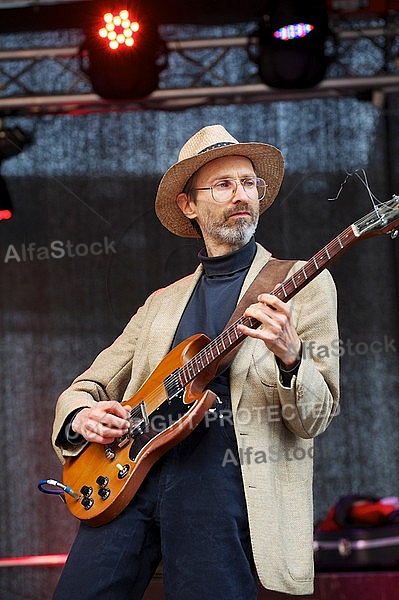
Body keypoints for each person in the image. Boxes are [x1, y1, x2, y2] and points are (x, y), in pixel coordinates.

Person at [52, 124, 340, 599]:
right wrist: (81, 416)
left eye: (249, 183)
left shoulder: (302, 283)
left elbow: (316, 416)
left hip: (220, 475)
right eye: (223, 185)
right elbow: (86, 386)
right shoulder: (160, 304)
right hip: (129, 474)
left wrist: (293, 358)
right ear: (189, 205)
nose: (241, 195)